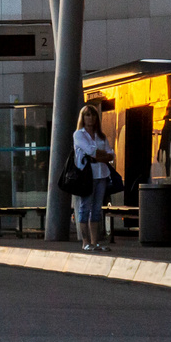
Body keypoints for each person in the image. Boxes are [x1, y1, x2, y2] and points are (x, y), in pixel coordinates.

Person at [71, 103, 114, 252]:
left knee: (96, 209)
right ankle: (85, 242)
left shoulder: (101, 135)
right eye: (87, 115)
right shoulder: (78, 134)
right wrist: (103, 155)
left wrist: (101, 156)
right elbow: (91, 151)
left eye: (93, 115)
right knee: (85, 207)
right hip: (87, 177)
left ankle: (95, 242)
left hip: (101, 175)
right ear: (82, 118)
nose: (91, 118)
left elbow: (111, 154)